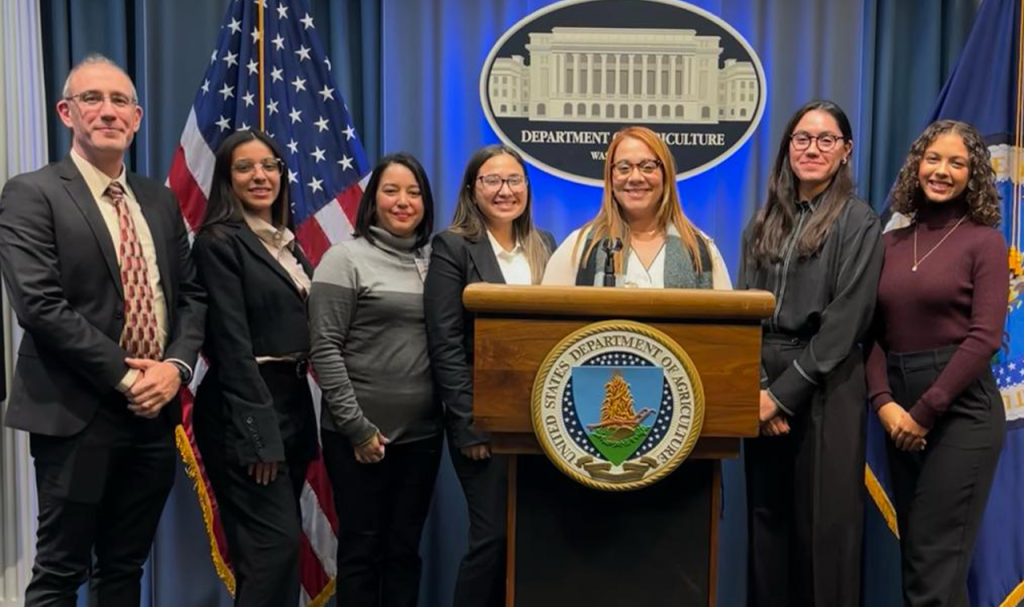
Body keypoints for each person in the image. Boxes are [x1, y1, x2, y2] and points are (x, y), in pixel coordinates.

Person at [0, 54, 205, 607]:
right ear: (66, 112)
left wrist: (175, 369)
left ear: (137, 118)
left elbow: (191, 298)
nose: (108, 111)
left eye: (120, 102)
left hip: (154, 415)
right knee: (60, 574)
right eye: (93, 99)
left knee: (125, 568)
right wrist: (127, 377)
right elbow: (40, 305)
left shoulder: (159, 201)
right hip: (76, 412)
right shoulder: (31, 193)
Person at [738, 100, 883, 607]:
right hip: (761, 387)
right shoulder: (763, 223)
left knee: (825, 532)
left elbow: (847, 322)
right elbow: (743, 314)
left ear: (845, 151)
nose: (813, 149)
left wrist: (782, 397)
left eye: (826, 140)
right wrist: (758, 390)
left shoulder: (859, 222)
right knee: (766, 526)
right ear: (788, 149)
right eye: (802, 139)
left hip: (826, 383)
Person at [866, 120, 1007, 607]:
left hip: (960, 411)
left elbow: (985, 337)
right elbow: (871, 335)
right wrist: (884, 404)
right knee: (923, 564)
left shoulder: (985, 242)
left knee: (934, 561)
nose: (942, 171)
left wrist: (923, 413)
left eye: (957, 163)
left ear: (974, 175)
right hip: (898, 410)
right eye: (933, 159)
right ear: (916, 164)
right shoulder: (888, 245)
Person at [424, 144, 555, 607]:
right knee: (493, 538)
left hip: (544, 422)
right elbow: (444, 342)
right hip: (483, 422)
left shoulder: (547, 246)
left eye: (514, 180)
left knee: (535, 542)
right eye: (492, 181)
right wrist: (467, 423)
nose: (505, 191)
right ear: (472, 190)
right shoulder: (452, 246)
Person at [190, 129, 317, 607]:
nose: (260, 176)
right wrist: (258, 436)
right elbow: (229, 345)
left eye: (270, 165)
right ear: (227, 178)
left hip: (291, 400)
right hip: (242, 408)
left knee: (271, 554)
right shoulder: (219, 242)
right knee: (272, 551)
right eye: (245, 167)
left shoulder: (286, 243)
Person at [309, 153, 441, 607]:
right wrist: (358, 429)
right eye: (391, 191)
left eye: (414, 192)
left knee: (404, 553)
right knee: (362, 552)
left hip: (423, 437)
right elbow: (324, 349)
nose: (403, 201)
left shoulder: (437, 260)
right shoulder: (343, 258)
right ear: (373, 200)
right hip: (359, 438)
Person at [541, 125, 731, 289]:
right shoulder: (580, 248)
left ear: (666, 175)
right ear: (610, 178)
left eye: (647, 167)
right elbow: (548, 322)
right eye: (624, 168)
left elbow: (726, 326)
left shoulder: (700, 250)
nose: (635, 178)